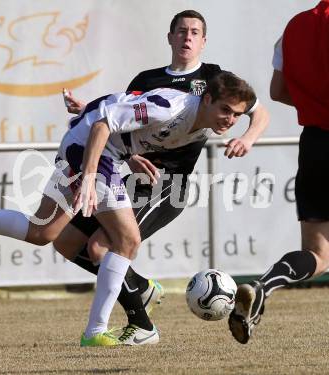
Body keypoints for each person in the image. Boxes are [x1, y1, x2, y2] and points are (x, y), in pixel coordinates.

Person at [0, 71, 257, 347]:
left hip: (88, 147)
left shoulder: (200, 125)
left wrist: (128, 154)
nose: (230, 120)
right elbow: (104, 124)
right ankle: (98, 330)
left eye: (237, 116)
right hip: (91, 151)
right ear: (207, 98)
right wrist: (90, 177)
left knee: (42, 232)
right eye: (225, 109)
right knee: (127, 241)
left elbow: (116, 108)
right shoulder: (172, 107)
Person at [55, 10, 269, 345]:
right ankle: (140, 287)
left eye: (195, 32)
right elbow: (121, 122)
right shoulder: (147, 79)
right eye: (181, 31)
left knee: (100, 247)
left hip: (170, 184)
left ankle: (141, 325)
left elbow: (260, 112)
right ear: (169, 37)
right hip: (133, 179)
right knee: (66, 242)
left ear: (204, 41)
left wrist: (248, 138)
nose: (188, 37)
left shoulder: (215, 80)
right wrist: (90, 111)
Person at [228, 1, 329, 345]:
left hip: (315, 144)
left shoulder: (294, 27)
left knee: (318, 254)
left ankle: (263, 285)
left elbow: (278, 91)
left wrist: (316, 104)